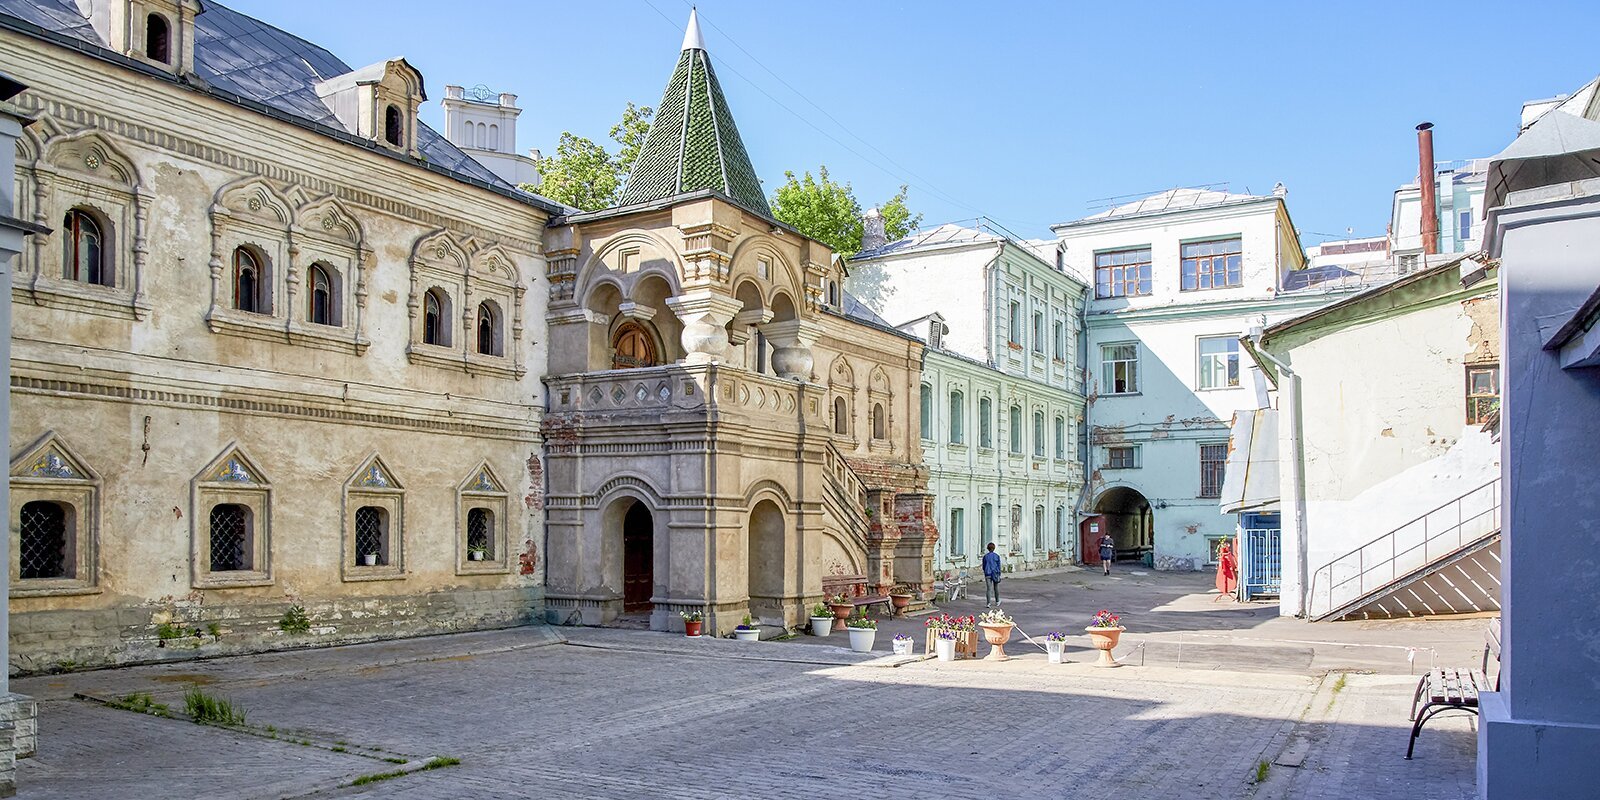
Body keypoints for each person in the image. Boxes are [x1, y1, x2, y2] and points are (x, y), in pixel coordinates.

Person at [982, 542, 1002, 608]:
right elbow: (999, 566)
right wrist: (999, 573)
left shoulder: (985, 557)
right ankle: (997, 601)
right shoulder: (997, 556)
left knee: (988, 589)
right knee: (996, 588)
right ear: (994, 548)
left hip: (987, 573)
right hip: (995, 573)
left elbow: (984, 566)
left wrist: (985, 571)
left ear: (988, 548)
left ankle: (988, 603)